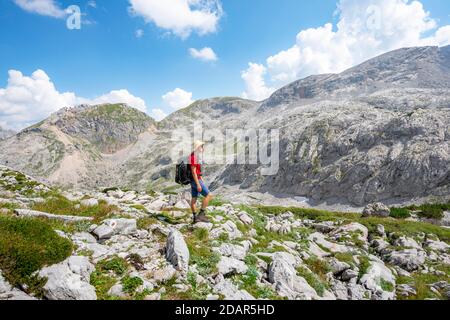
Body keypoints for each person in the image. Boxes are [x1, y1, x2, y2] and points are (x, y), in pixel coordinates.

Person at [189, 140, 213, 223]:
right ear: (197, 147)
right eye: (201, 146)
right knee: (209, 195)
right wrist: (198, 184)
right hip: (196, 180)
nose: (203, 147)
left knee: (194, 199)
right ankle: (201, 215)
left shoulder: (194, 156)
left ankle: (195, 218)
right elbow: (193, 172)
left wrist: (201, 179)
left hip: (193, 180)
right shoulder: (194, 157)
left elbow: (197, 171)